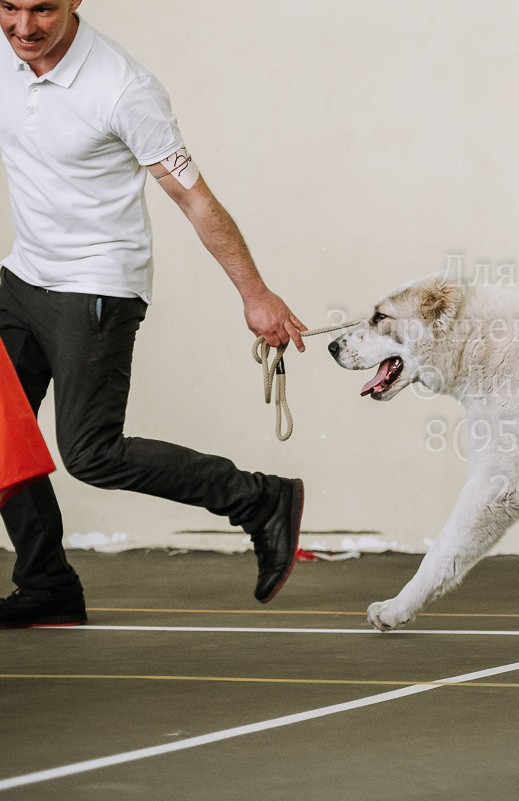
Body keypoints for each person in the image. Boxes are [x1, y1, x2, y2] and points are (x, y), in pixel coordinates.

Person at [0, 0, 308, 628]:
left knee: (90, 453)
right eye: (8, 8)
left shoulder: (123, 87)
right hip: (22, 277)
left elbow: (193, 198)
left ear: (75, 1)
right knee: (2, 442)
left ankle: (258, 498)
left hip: (95, 290)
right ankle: (48, 583)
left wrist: (255, 294)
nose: (24, 29)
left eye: (42, 10)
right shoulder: (6, 54)